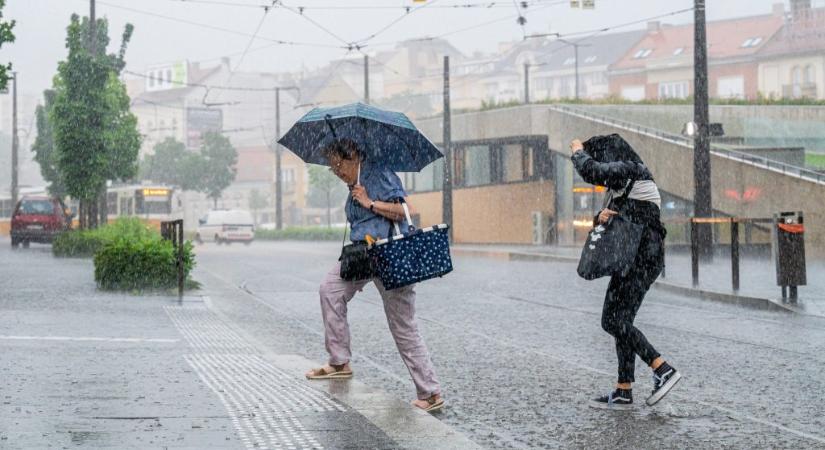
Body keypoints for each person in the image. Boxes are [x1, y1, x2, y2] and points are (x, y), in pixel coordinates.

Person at [304, 139, 444, 413]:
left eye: (338, 164)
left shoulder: (378, 172)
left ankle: (430, 393)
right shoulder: (352, 183)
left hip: (390, 256)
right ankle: (339, 361)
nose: (336, 171)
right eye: (332, 168)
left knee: (403, 326)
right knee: (330, 290)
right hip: (362, 255)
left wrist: (369, 202)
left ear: (353, 155)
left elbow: (404, 211)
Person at [570, 134, 682, 410]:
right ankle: (623, 390)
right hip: (635, 259)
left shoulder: (631, 170)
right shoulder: (623, 186)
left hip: (642, 259)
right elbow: (612, 217)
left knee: (613, 320)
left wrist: (578, 152)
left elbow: (592, 171)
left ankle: (662, 368)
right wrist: (601, 217)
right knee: (620, 320)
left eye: (601, 158)